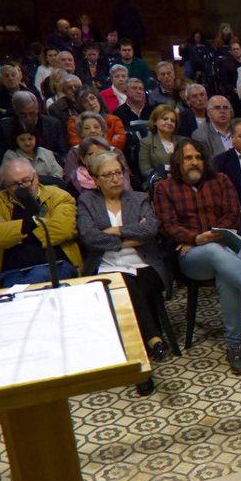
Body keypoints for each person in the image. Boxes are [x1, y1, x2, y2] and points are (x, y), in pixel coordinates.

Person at [153, 138, 241, 374]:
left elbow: (232, 215)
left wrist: (210, 236)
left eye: (198, 157)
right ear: (179, 161)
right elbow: (167, 225)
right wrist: (196, 239)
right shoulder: (165, 188)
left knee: (226, 272)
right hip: (193, 257)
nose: (194, 162)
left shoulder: (220, 180)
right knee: (218, 254)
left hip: (224, 245)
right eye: (188, 158)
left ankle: (235, 347)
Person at [77, 151, 169, 379]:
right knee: (124, 284)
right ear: (96, 179)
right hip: (105, 267)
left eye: (118, 173)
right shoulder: (87, 201)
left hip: (145, 265)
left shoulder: (139, 198)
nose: (115, 179)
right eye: (108, 175)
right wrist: (130, 238)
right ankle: (152, 341)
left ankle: (140, 359)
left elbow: (149, 231)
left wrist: (114, 232)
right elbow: (89, 237)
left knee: (125, 286)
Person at [0, 158, 81, 287]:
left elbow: (64, 229)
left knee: (37, 275)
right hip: (13, 271)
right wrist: (31, 223)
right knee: (22, 284)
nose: (24, 187)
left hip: (57, 264)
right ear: (6, 186)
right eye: (15, 184)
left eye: (26, 180)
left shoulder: (59, 196)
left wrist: (15, 233)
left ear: (36, 176)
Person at [0, 91, 66, 169]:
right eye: (23, 114)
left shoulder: (53, 124)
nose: (28, 118)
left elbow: (62, 154)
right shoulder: (4, 127)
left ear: (37, 109)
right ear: (16, 111)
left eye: (32, 113)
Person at [65, 134, 133, 194]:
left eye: (102, 153)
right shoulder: (75, 180)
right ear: (83, 159)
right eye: (92, 154)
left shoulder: (121, 173)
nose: (97, 157)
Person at [137, 104, 180, 180]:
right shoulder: (146, 142)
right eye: (165, 119)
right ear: (155, 122)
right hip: (158, 183)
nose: (169, 122)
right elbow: (145, 170)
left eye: (173, 120)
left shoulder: (182, 141)